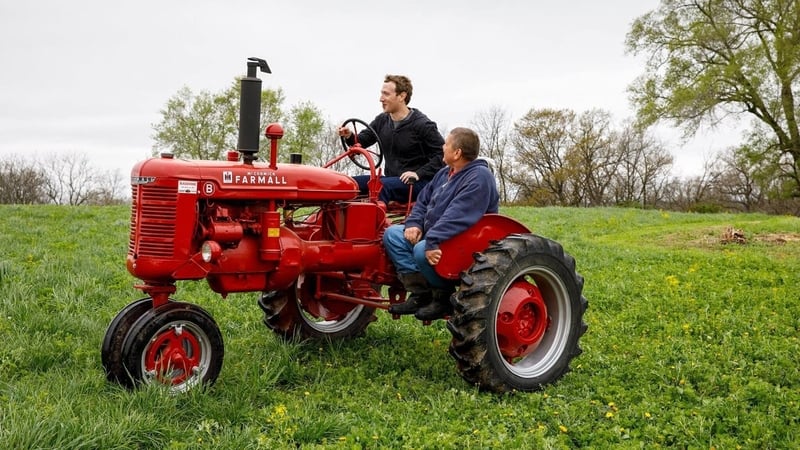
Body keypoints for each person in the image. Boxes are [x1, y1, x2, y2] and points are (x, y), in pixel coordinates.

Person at [383, 127, 500, 320]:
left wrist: (432, 240)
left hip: (463, 238)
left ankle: (443, 296)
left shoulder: (479, 177)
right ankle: (421, 294)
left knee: (421, 250)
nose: (442, 147)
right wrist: (414, 223)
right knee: (393, 235)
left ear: (457, 152)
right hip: (437, 233)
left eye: (446, 144)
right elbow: (423, 200)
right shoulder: (445, 173)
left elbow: (458, 215)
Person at [339, 75, 445, 204]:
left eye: (386, 94)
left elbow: (442, 156)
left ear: (401, 96)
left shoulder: (423, 125)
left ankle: (367, 223)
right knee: (348, 184)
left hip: (419, 183)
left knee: (380, 187)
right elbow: (362, 141)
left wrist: (418, 173)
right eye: (381, 94)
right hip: (392, 179)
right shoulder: (382, 120)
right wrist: (349, 136)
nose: (381, 99)